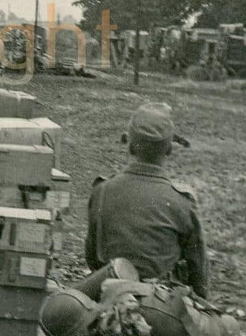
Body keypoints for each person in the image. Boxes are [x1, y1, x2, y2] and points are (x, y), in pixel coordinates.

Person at [84, 102, 210, 298]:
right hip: (162, 305)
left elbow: (92, 258)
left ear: (130, 145)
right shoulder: (182, 202)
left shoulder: (102, 190)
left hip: (110, 299)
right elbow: (199, 274)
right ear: (169, 149)